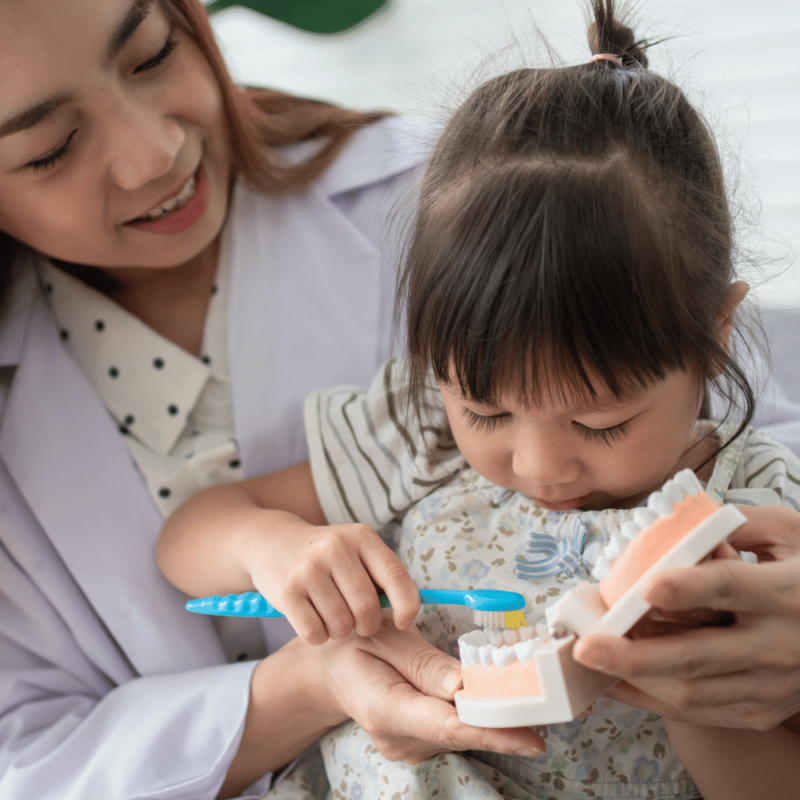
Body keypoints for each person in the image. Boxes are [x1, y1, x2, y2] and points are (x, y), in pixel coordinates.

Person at [157, 2, 800, 797]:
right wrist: (273, 546)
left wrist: (701, 693)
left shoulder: (759, 521)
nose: (539, 466)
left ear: (718, 335)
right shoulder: (418, 431)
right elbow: (189, 535)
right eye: (488, 413)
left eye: (601, 421)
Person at [0, 1, 549, 799]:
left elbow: (732, 441)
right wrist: (303, 687)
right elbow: (29, 758)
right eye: (49, 151)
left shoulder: (461, 191)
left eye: (153, 56)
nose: (154, 153)